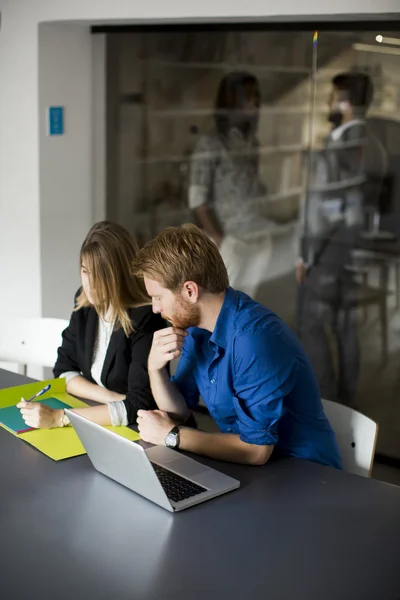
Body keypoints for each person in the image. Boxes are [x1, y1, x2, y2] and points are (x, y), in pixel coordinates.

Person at [132, 224, 342, 469]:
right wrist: (155, 369)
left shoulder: (253, 339)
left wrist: (171, 436)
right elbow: (179, 412)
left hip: (305, 474)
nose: (156, 309)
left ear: (190, 290)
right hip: (253, 469)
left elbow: (256, 451)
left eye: (158, 298)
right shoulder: (197, 328)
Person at [18, 221, 164, 429]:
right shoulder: (85, 302)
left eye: (100, 274)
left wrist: (60, 417)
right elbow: (63, 371)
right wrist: (113, 399)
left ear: (120, 274)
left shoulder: (146, 318)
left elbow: (139, 406)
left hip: (136, 431)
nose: (90, 283)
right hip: (99, 416)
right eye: (85, 271)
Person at [296, 71, 386, 406]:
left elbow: (327, 210)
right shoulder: (373, 143)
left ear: (346, 103)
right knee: (346, 328)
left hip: (328, 254)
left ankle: (329, 402)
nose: (330, 104)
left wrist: (306, 256)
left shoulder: (341, 145)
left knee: (311, 325)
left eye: (334, 98)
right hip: (353, 251)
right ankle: (348, 399)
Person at [189, 71, 274, 299]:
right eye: (248, 96)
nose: (255, 101)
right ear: (232, 100)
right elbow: (198, 199)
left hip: (257, 236)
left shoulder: (251, 142)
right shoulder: (210, 143)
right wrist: (220, 240)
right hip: (231, 240)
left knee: (248, 303)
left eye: (256, 95)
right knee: (222, 305)